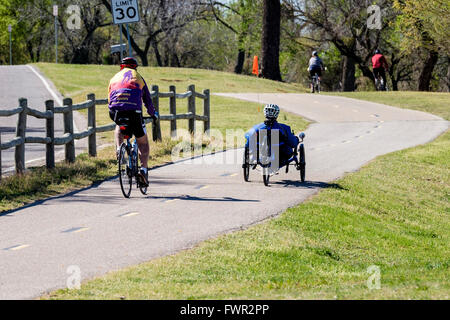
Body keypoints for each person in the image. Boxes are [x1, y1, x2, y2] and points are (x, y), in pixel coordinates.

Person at [108, 57, 158, 187]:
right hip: (134, 112)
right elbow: (147, 100)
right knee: (143, 142)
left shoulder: (114, 78)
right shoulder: (139, 77)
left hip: (116, 110)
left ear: (122, 67)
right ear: (135, 67)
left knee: (119, 125)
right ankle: (143, 170)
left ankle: (119, 148)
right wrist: (153, 114)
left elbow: (109, 99)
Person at [245, 104, 299, 169]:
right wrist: (297, 139)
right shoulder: (284, 128)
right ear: (277, 114)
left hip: (259, 153)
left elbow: (248, 138)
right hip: (281, 155)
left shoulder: (257, 127)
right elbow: (292, 143)